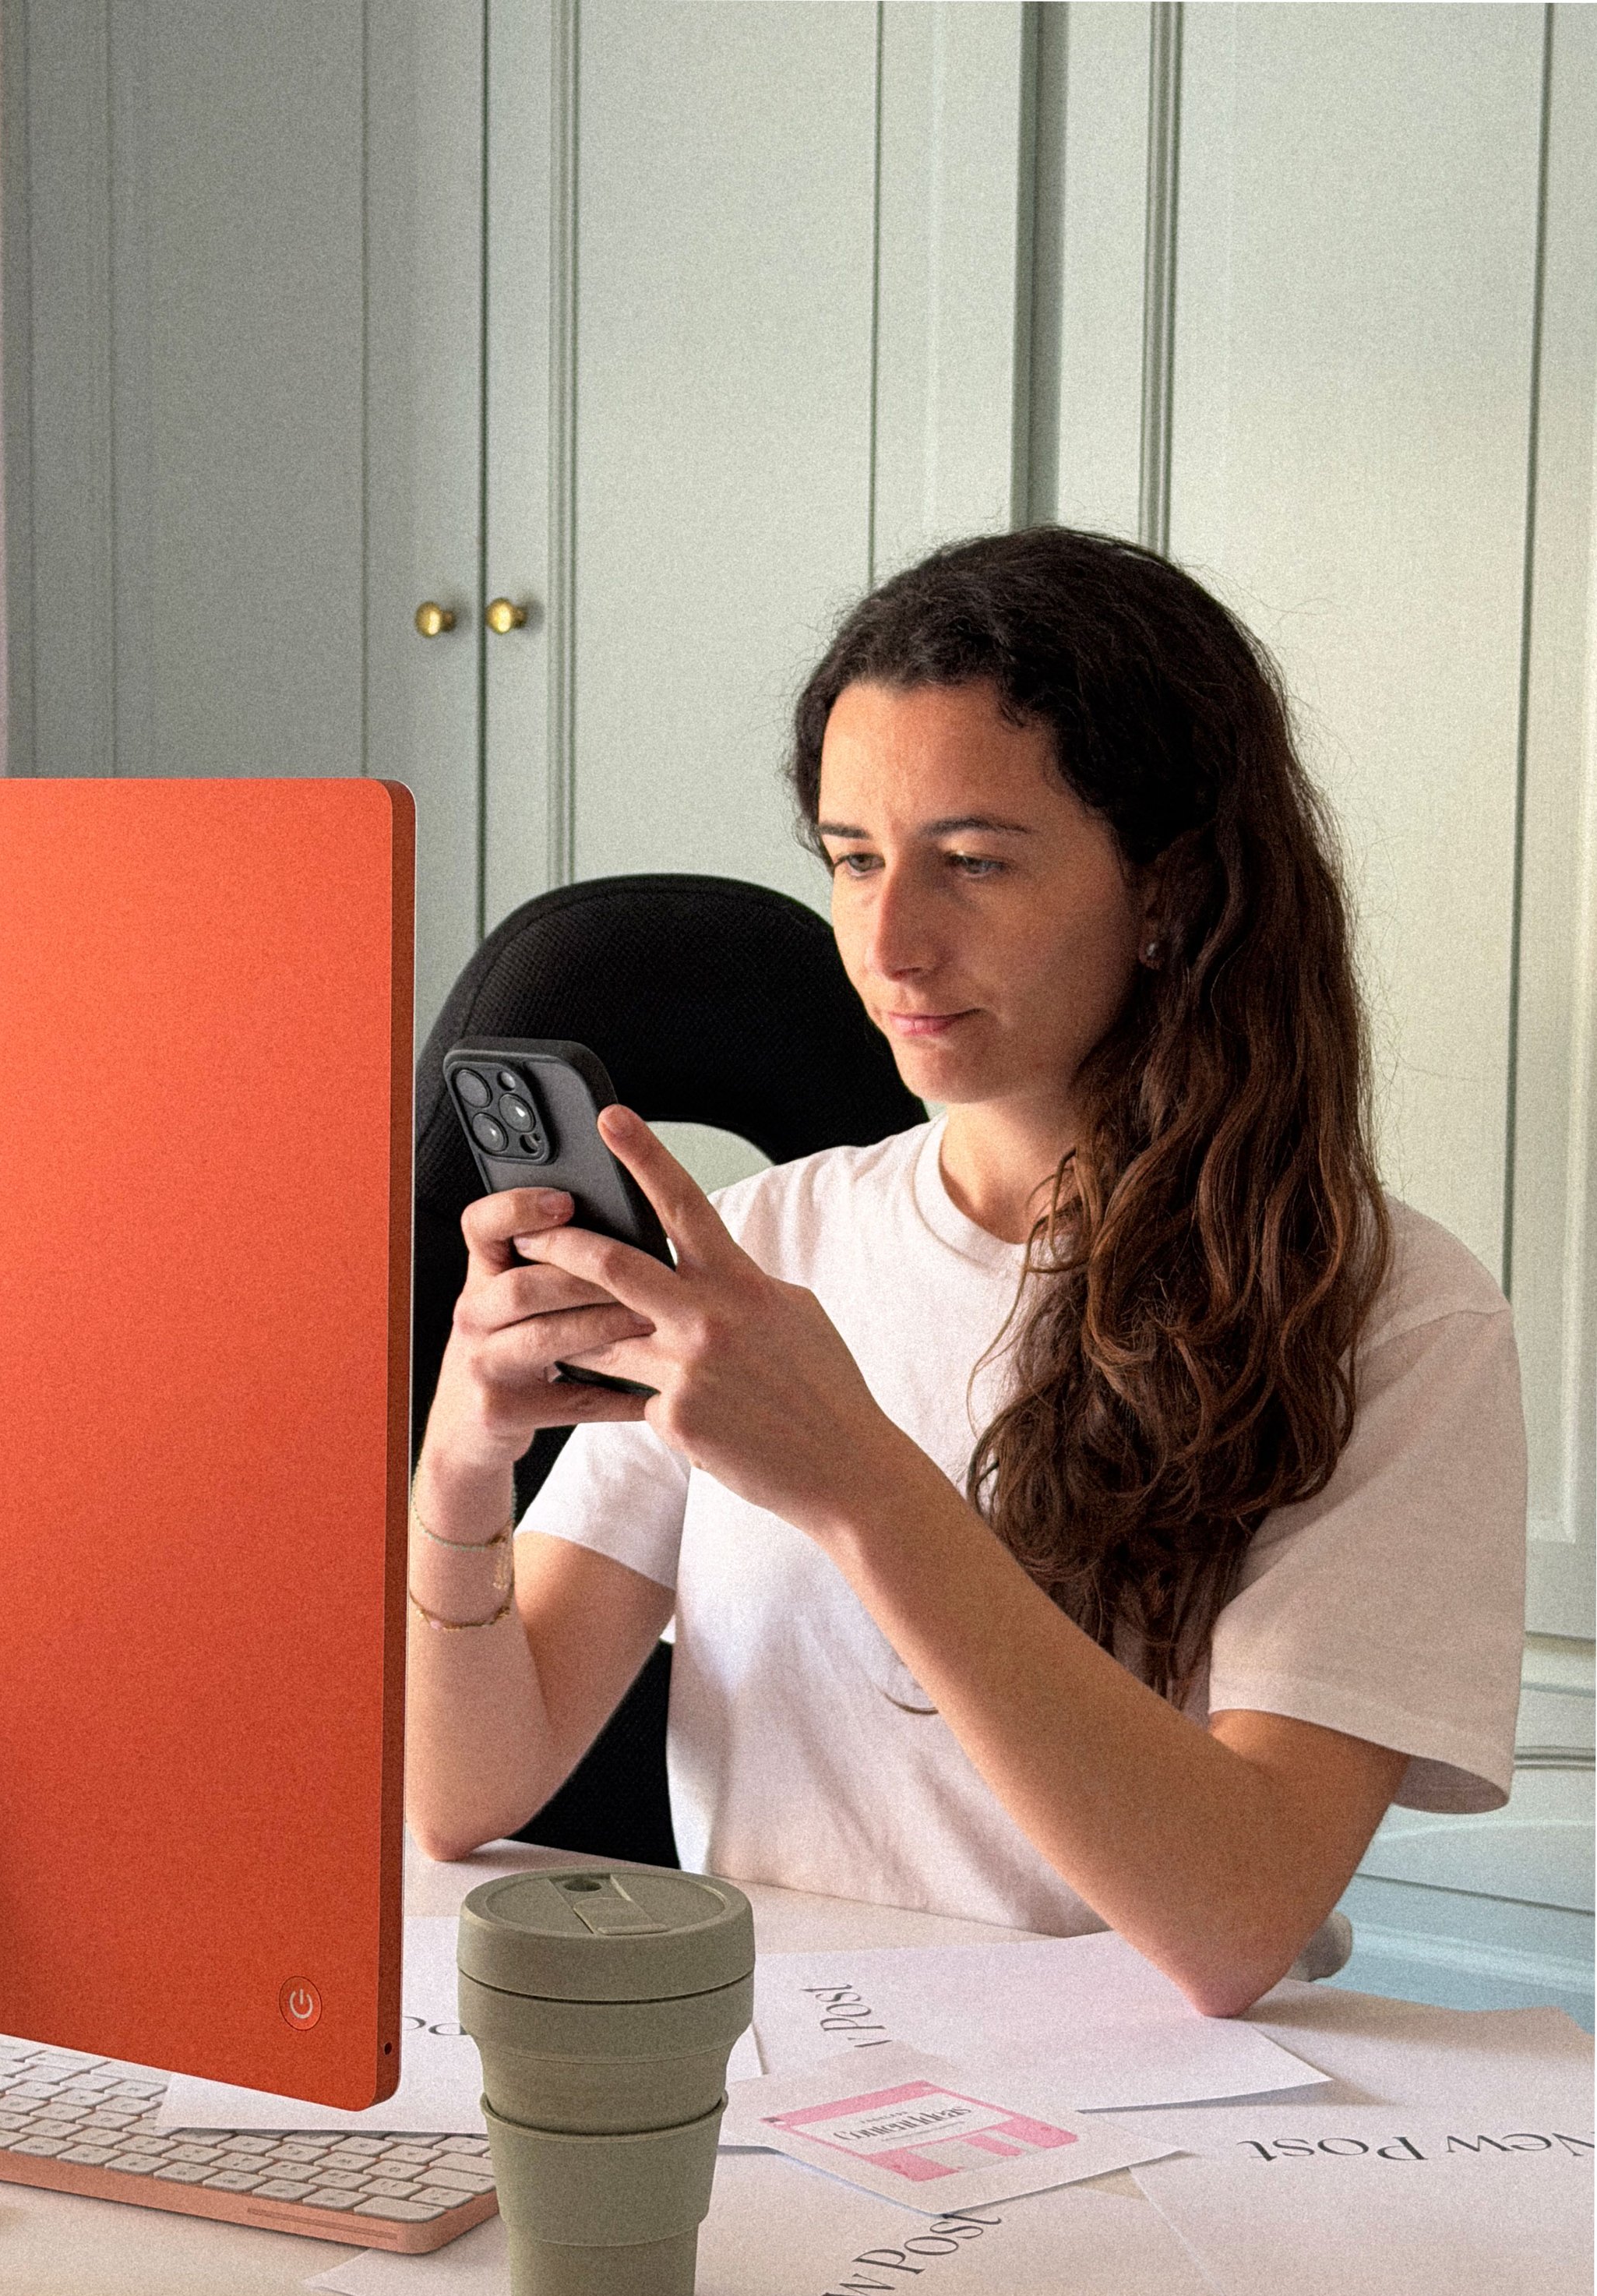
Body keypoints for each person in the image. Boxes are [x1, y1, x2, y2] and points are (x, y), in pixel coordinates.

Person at [404, 527, 1526, 2016]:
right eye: (853, 859)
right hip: (772, 2082)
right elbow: (464, 1792)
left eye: (974, 864)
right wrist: (464, 1463)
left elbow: (1238, 1917)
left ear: (1172, 892)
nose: (887, 943)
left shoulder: (1394, 1318)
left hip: (1171, 2144)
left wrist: (859, 1482)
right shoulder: (769, 1251)